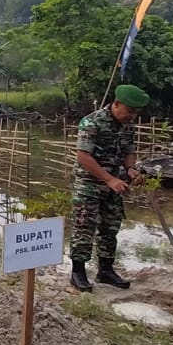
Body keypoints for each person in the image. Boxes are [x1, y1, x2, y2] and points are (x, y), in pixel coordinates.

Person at [69, 84, 149, 292]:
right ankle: (77, 272)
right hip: (89, 184)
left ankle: (105, 270)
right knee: (83, 227)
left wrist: (131, 169)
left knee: (110, 227)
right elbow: (83, 156)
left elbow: (129, 150)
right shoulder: (92, 122)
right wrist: (109, 179)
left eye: (135, 112)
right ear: (116, 104)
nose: (132, 116)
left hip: (113, 186)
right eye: (129, 111)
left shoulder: (127, 126)